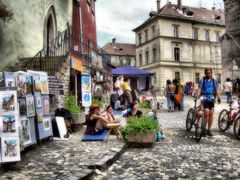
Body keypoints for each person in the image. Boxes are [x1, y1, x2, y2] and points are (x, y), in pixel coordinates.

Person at [197, 68, 221, 136]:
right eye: (207, 73)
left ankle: (209, 129)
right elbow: (199, 89)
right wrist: (198, 95)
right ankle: (204, 129)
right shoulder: (202, 80)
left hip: (211, 99)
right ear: (205, 73)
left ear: (211, 73)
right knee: (206, 114)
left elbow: (217, 89)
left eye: (209, 73)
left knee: (211, 115)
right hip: (204, 99)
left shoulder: (214, 81)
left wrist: (219, 97)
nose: (208, 74)